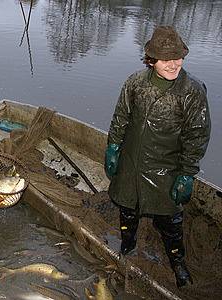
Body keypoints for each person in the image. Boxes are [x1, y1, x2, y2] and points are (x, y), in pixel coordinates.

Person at [105, 26, 211, 288]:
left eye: (178, 57)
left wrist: (187, 173)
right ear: (151, 60)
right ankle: (127, 244)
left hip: (167, 166)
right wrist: (113, 148)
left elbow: (197, 136)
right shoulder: (135, 83)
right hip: (132, 161)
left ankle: (178, 262)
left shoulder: (192, 91)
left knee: (171, 220)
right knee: (127, 209)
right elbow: (120, 118)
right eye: (165, 59)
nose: (173, 64)